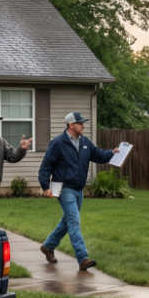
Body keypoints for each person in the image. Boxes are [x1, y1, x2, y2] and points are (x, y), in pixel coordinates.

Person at [37, 111, 118, 271]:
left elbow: (99, 155)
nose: (83, 125)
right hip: (64, 188)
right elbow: (46, 166)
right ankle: (82, 258)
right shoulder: (58, 143)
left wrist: (111, 153)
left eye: (83, 122)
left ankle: (48, 246)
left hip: (79, 189)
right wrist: (45, 186)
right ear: (71, 125)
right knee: (74, 221)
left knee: (67, 221)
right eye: (80, 123)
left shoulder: (85, 142)